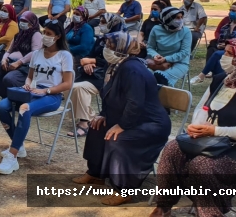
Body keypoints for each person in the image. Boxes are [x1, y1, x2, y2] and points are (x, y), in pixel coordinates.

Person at [150, 37, 236, 217]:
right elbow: (203, 107)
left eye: (230, 54)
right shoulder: (221, 80)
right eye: (225, 52)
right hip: (211, 140)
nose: (223, 57)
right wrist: (197, 126)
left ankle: (210, 212)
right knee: (172, 149)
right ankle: (163, 207)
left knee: (201, 166)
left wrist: (214, 130)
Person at [73, 31, 170, 205]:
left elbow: (135, 103)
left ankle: (125, 189)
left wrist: (122, 125)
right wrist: (103, 114)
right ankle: (96, 174)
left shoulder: (132, 69)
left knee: (118, 138)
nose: (105, 49)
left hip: (151, 124)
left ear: (121, 49)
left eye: (110, 46)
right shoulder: (116, 66)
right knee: (96, 127)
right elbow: (111, 96)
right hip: (132, 119)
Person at [0, 21, 74, 174]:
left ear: (57, 37)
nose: (45, 36)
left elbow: (68, 84)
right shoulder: (37, 54)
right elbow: (30, 77)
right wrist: (27, 84)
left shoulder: (65, 56)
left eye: (49, 34)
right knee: (1, 106)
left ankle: (12, 156)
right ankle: (18, 145)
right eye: (44, 32)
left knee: (25, 109)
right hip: (31, 92)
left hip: (52, 96)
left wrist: (46, 91)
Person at [0, 11, 42, 106]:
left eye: (25, 21)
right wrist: (4, 59)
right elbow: (9, 51)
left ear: (32, 23)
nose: (22, 23)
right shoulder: (19, 34)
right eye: (21, 20)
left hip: (25, 66)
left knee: (9, 78)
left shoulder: (36, 35)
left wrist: (19, 62)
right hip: (10, 61)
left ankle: (12, 101)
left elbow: (35, 53)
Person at [191, 1, 236, 85]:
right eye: (230, 10)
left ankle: (201, 75)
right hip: (225, 52)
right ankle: (217, 84)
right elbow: (220, 40)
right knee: (217, 61)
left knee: (217, 54)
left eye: (234, 11)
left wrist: (228, 45)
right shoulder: (225, 27)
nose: (231, 12)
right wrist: (220, 45)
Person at [146, 7, 191, 87]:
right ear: (168, 19)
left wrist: (166, 59)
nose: (180, 20)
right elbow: (150, 47)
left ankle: (163, 98)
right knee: (142, 74)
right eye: (177, 18)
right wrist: (155, 55)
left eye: (181, 17)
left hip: (179, 63)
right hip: (159, 61)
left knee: (159, 76)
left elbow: (184, 53)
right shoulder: (156, 29)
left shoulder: (186, 31)